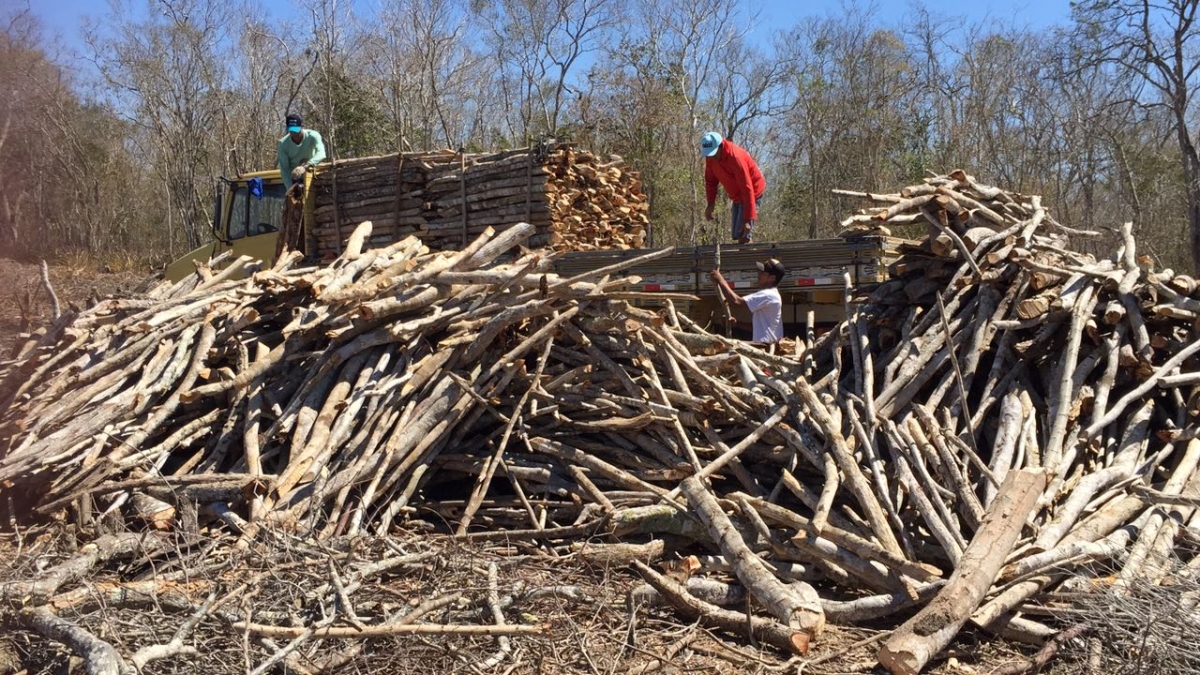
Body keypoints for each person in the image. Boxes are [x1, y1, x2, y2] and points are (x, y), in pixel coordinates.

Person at [701, 131, 765, 244]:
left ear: (720, 146)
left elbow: (747, 188)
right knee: (736, 234)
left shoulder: (735, 157)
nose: (712, 157)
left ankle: (751, 259)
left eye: (714, 153)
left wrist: (747, 219)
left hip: (752, 192)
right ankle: (747, 255)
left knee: (744, 234)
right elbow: (711, 182)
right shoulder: (711, 158)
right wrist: (710, 204)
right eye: (709, 154)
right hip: (737, 196)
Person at [709, 257, 786, 344]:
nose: (759, 274)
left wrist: (720, 279)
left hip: (766, 346)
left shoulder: (768, 295)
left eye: (763, 272)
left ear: (772, 278)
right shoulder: (772, 295)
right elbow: (758, 327)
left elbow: (737, 302)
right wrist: (737, 324)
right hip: (768, 345)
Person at [277, 112, 327, 193]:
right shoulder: (283, 144)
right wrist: (290, 189)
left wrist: (305, 166)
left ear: (301, 127)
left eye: (296, 130)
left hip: (314, 174)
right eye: (291, 130)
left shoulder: (313, 136)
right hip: (295, 179)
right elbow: (284, 170)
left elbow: (321, 154)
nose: (294, 133)